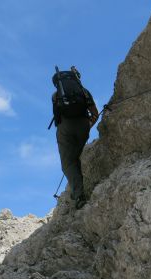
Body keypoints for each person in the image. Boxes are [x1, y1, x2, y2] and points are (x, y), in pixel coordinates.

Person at [52, 66, 99, 209]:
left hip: (65, 128)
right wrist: (88, 126)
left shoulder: (56, 96)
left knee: (68, 163)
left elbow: (57, 118)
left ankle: (79, 196)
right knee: (76, 156)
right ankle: (80, 186)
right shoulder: (84, 92)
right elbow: (95, 113)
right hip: (84, 125)